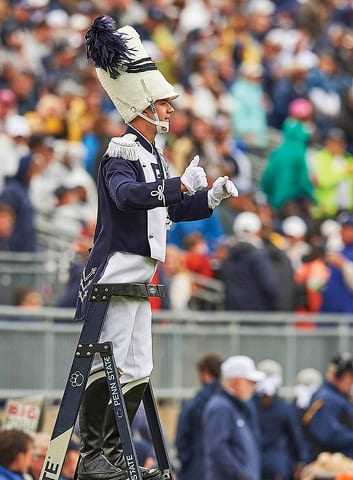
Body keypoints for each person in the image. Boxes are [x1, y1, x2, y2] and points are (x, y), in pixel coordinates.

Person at [75, 15, 238, 480]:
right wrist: (172, 186)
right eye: (163, 102)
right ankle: (93, 457)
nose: (169, 109)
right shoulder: (121, 150)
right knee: (110, 362)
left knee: (137, 366)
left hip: (140, 275)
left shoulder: (151, 155)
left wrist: (209, 199)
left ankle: (109, 456)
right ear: (143, 105)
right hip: (116, 270)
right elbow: (128, 198)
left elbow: (166, 211)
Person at [202, 355, 265, 480]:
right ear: (237, 381)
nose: (254, 387)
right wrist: (240, 474)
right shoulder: (221, 407)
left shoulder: (235, 406)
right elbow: (218, 449)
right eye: (250, 382)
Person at [252, 359, 310, 480]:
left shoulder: (248, 405)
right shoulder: (283, 408)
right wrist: (302, 460)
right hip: (277, 465)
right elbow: (295, 435)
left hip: (253, 462)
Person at [175, 353, 222, 480]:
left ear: (205, 374)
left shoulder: (195, 403)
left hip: (196, 469)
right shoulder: (230, 403)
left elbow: (181, 437)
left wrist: (187, 462)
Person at [302, 352, 353, 461]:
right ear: (340, 375)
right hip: (331, 464)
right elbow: (330, 435)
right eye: (350, 376)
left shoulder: (338, 397)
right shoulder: (326, 399)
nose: (351, 381)